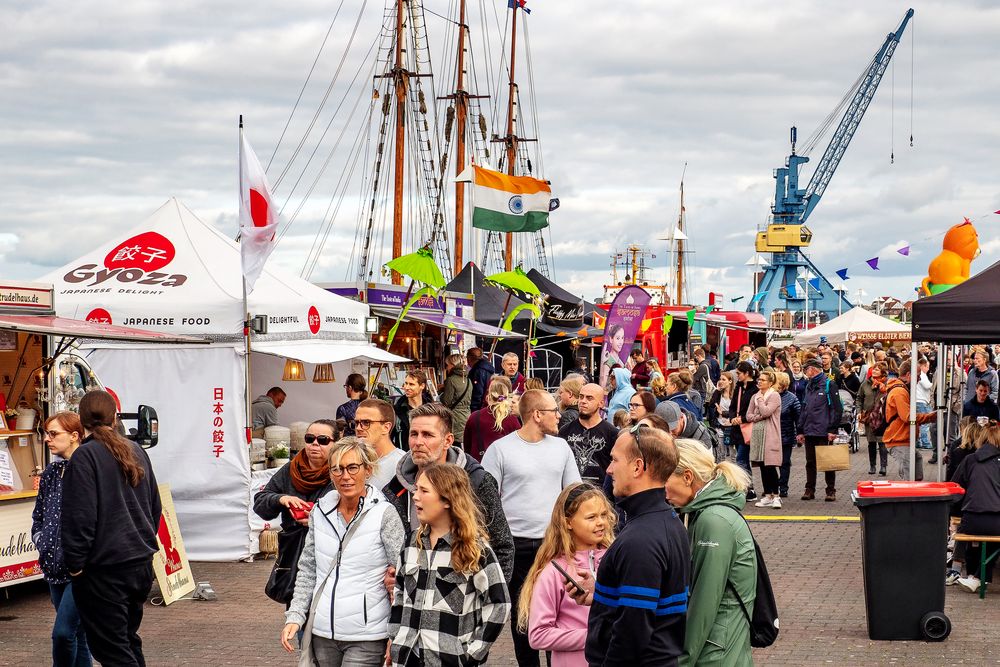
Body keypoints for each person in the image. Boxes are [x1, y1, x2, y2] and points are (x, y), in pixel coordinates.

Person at [570, 426, 691, 666]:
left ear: (637, 467)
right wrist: (603, 592)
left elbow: (632, 630)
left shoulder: (640, 539)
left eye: (615, 460)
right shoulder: (667, 521)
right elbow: (649, 602)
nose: (609, 468)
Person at [281, 438, 406, 665]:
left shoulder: (384, 513)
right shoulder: (320, 511)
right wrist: (296, 616)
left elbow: (401, 577)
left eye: (352, 467)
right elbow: (308, 568)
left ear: (368, 470)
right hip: (322, 632)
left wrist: (396, 633)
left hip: (367, 635)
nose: (344, 476)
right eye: (337, 469)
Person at [60, 391, 161, 667]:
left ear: (80, 423)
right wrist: (143, 541)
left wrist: (76, 566)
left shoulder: (85, 457)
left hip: (105, 569)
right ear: (115, 417)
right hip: (138, 563)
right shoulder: (136, 450)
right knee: (126, 641)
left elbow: (79, 518)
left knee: (112, 650)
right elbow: (155, 507)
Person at [482, 389, 582, 666]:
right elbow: (486, 501)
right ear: (537, 415)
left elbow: (574, 493)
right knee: (522, 616)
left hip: (555, 544)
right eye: (553, 410)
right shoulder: (500, 449)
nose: (559, 415)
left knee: (559, 610)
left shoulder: (561, 447)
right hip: (516, 544)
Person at [389, 463, 512, 666]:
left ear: (447, 499)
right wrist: (396, 636)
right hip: (408, 657)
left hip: (449, 660)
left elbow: (500, 604)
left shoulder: (476, 550)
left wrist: (471, 655)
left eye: (424, 490)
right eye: (416, 489)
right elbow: (400, 593)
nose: (415, 496)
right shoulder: (411, 542)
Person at [382, 402, 514, 579]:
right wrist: (396, 579)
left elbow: (502, 546)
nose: (418, 442)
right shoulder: (396, 488)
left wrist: (491, 595)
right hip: (415, 597)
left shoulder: (476, 481)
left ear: (448, 440)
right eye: (414, 434)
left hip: (465, 596)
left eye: (428, 435)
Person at [666, 438, 755, 666]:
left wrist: (683, 660)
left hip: (716, 653)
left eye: (665, 478)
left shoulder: (712, 520)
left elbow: (704, 601)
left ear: (687, 477)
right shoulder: (707, 513)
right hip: (720, 646)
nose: (661, 488)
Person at [520, 483, 616, 667]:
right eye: (591, 517)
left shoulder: (617, 559)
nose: (601, 522)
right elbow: (538, 635)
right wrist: (593, 636)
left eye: (603, 515)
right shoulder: (554, 571)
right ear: (568, 522)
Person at [254, 420, 339, 607]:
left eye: (323, 440)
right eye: (310, 439)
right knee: (297, 610)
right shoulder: (291, 469)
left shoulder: (341, 472)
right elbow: (260, 504)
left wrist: (318, 520)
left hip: (328, 554)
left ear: (335, 444)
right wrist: (281, 499)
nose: (315, 444)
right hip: (295, 554)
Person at [32, 412, 92, 666]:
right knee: (77, 633)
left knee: (63, 634)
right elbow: (39, 514)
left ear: (75, 436)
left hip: (82, 570)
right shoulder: (51, 473)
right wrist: (41, 539)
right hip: (53, 566)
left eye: (54, 433)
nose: (48, 439)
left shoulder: (88, 470)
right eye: (47, 433)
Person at [950, 424, 1000, 593]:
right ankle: (979, 578)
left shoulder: (970, 460)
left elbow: (955, 487)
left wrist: (956, 514)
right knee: (993, 537)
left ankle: (973, 576)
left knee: (975, 538)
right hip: (996, 521)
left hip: (971, 519)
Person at [796, 358, 843, 501]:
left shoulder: (829, 384)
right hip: (810, 430)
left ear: (813, 369)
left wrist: (832, 430)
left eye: (806, 369)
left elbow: (837, 409)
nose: (805, 372)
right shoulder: (808, 386)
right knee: (810, 462)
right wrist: (800, 430)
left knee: (828, 462)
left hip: (824, 430)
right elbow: (804, 408)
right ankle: (809, 489)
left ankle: (830, 490)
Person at [883, 359, 937, 481]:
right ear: (908, 375)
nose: (919, 379)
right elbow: (908, 418)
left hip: (904, 440)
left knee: (916, 474)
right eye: (918, 376)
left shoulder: (901, 389)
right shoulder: (899, 391)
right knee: (909, 480)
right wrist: (929, 417)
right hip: (899, 440)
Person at [559, 383, 620, 485]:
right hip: (571, 492)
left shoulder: (612, 433)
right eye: (581, 397)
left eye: (589, 398)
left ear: (601, 403)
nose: (583, 401)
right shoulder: (565, 431)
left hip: (600, 494)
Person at [746, 368, 783, 509]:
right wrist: (758, 416)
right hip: (757, 433)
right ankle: (767, 495)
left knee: (770, 465)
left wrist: (761, 402)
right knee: (761, 465)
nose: (759, 382)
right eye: (759, 380)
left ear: (770, 382)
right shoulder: (754, 395)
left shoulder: (774, 396)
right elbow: (748, 415)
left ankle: (776, 495)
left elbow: (767, 412)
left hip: (770, 433)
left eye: (762, 380)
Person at [463, 375, 521, 462]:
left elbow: (467, 447)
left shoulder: (474, 416)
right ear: (508, 394)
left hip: (478, 468)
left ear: (489, 393)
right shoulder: (512, 420)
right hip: (503, 468)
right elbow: (519, 448)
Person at [352, 398, 406, 492]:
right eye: (356, 423)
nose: (359, 428)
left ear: (386, 427)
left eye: (366, 422)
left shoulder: (402, 464)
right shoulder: (352, 459)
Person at [728, 361, 759, 499]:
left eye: (739, 373)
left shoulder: (755, 390)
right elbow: (733, 405)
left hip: (748, 428)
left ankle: (746, 487)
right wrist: (733, 417)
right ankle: (748, 488)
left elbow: (755, 410)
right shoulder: (739, 387)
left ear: (747, 373)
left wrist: (742, 418)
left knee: (741, 459)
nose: (737, 376)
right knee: (742, 459)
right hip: (738, 428)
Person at [857, 362, 889, 476]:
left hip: (882, 417)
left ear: (883, 372)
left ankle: (883, 466)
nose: (874, 371)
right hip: (869, 417)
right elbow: (859, 398)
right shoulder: (865, 384)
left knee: (881, 442)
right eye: (874, 369)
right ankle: (872, 466)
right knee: (871, 442)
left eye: (877, 369)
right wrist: (859, 411)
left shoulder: (887, 384)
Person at [775, 373, 801, 498]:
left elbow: (798, 417)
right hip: (772, 435)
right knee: (770, 463)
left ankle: (783, 487)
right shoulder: (769, 396)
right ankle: (773, 486)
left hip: (787, 434)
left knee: (784, 462)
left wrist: (800, 433)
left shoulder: (792, 398)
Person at [393, 371, 432, 451]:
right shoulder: (396, 410)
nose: (406, 387)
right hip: (403, 456)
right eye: (406, 383)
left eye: (411, 384)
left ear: (422, 386)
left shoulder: (432, 410)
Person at [439, 353, 472, 444]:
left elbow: (446, 401)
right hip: (466, 415)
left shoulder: (451, 380)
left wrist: (440, 394)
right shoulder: (468, 380)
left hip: (455, 417)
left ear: (453, 365)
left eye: (447, 365)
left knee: (454, 443)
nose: (446, 368)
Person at [705, 371, 735, 461]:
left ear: (730, 381)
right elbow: (711, 405)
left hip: (732, 426)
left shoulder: (735, 394)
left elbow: (737, 411)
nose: (721, 381)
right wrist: (717, 390)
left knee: (733, 455)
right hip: (719, 425)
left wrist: (723, 413)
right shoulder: (719, 394)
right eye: (720, 379)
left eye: (724, 379)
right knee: (721, 454)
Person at [467, 347, 497, 413]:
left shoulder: (477, 371)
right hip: (487, 405)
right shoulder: (487, 368)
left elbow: (477, 391)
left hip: (479, 408)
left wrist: (474, 409)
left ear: (469, 358)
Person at [914, 357, 934, 452]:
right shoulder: (921, 374)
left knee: (918, 423)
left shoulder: (917, 373)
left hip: (917, 400)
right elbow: (927, 385)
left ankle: (918, 442)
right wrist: (934, 383)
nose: (928, 369)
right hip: (921, 400)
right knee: (925, 423)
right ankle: (925, 442)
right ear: (923, 366)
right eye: (927, 367)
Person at [600, 324, 627, 389]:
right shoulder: (608, 360)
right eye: (618, 338)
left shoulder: (620, 361)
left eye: (622, 338)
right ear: (611, 339)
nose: (621, 342)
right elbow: (603, 385)